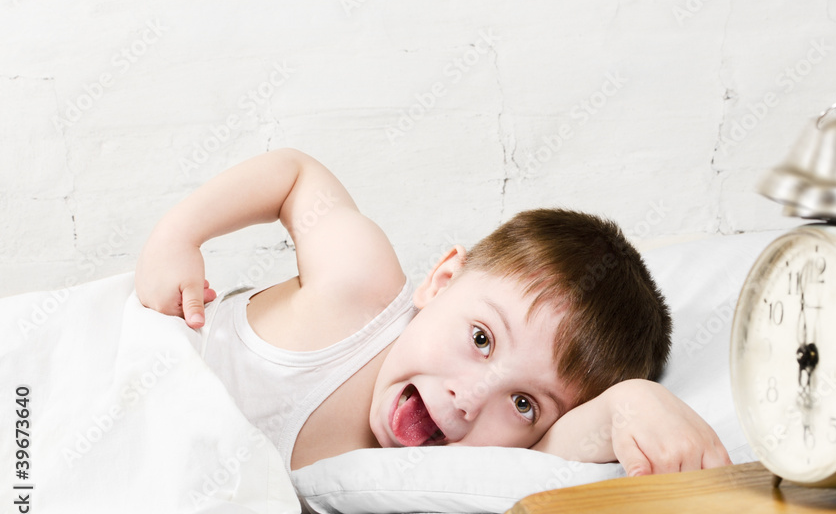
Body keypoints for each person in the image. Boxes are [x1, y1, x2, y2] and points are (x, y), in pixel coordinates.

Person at [135, 148, 730, 476]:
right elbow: (294, 175)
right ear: (443, 281)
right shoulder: (359, 291)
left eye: (524, 403)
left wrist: (636, 402)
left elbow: (567, 446)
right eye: (481, 339)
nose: (472, 398)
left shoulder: (463, 464)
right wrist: (176, 237)